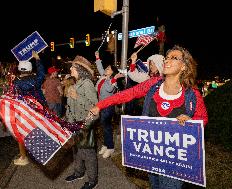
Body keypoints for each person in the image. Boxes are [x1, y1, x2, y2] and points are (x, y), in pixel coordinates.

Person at [88, 45, 208, 189]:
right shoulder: (153, 84)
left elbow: (203, 119)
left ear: (184, 66)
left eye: (174, 58)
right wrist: (100, 105)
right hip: (152, 155)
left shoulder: (192, 94)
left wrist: (191, 121)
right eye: (167, 57)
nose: (167, 61)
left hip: (175, 162)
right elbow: (128, 94)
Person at [64, 55, 99, 189]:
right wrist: (67, 121)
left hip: (85, 123)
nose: (71, 68)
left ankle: (92, 180)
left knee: (88, 153)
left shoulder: (87, 84)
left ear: (80, 69)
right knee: (77, 150)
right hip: (74, 123)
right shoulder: (76, 83)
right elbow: (70, 106)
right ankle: (79, 173)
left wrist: (77, 97)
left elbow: (94, 107)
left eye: (73, 67)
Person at [12, 50, 47, 166]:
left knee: (21, 134)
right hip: (38, 110)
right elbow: (42, 73)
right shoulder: (36, 80)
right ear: (30, 70)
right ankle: (41, 154)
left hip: (24, 112)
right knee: (38, 131)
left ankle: (24, 157)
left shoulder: (16, 83)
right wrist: (37, 59)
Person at [94, 51, 125, 159]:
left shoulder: (113, 82)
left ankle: (110, 147)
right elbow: (100, 68)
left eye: (108, 69)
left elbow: (108, 89)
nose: (106, 69)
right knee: (103, 126)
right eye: (106, 68)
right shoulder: (104, 77)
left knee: (106, 127)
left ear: (112, 72)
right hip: (101, 106)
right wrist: (97, 57)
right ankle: (106, 144)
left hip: (108, 107)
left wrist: (114, 79)